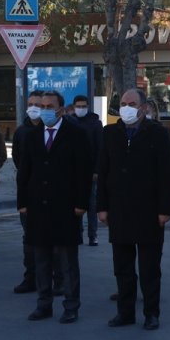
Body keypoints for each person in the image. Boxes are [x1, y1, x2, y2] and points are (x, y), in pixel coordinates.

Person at [97, 89, 170, 330]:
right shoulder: (110, 133)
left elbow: (167, 173)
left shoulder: (159, 133)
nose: (127, 108)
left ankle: (151, 313)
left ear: (143, 108)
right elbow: (103, 171)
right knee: (122, 267)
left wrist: (165, 209)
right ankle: (125, 313)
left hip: (149, 211)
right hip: (119, 209)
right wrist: (102, 207)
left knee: (150, 268)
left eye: (132, 103)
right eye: (123, 103)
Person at [17, 90, 92, 324]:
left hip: (65, 206)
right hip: (38, 206)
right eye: (42, 106)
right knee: (41, 259)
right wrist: (22, 203)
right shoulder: (32, 135)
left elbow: (83, 172)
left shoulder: (76, 134)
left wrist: (81, 203)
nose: (44, 111)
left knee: (67, 261)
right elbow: (24, 172)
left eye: (49, 107)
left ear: (60, 110)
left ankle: (71, 305)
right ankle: (44, 304)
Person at [11, 90, 44, 293]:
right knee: (29, 237)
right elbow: (17, 159)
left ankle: (57, 278)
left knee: (52, 238)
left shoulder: (54, 130)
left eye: (38, 105)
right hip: (28, 191)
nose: (33, 108)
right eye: (30, 104)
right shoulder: (21, 131)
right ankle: (30, 277)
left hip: (50, 193)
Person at [72, 95, 103, 246]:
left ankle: (93, 235)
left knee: (91, 204)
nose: (81, 109)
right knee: (75, 204)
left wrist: (97, 170)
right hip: (73, 172)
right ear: (74, 107)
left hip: (90, 171)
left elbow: (100, 148)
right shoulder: (70, 122)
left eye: (83, 106)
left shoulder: (95, 123)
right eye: (78, 106)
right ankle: (77, 233)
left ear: (88, 107)